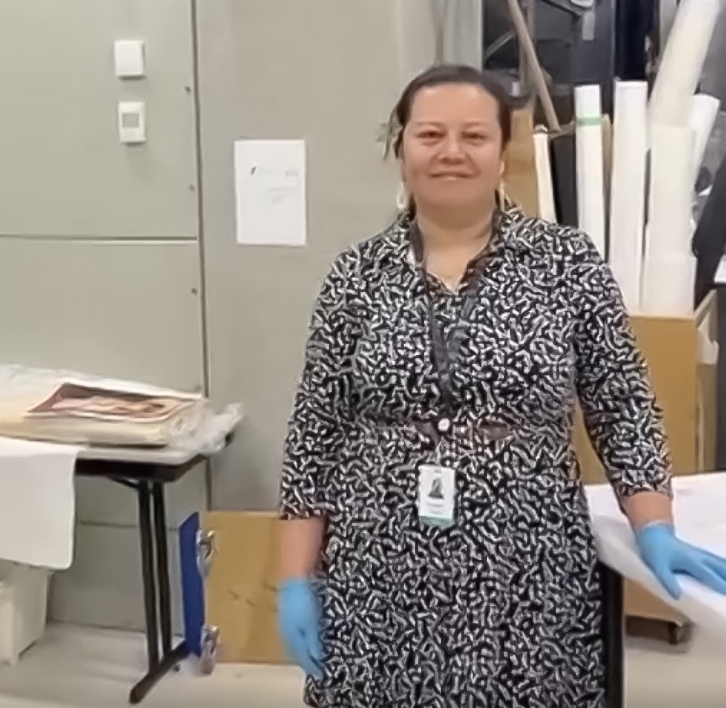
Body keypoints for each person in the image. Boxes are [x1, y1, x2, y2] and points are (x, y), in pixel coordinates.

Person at [274, 64, 726, 707]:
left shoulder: (566, 264)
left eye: (473, 136)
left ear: (502, 154)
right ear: (399, 150)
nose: (451, 151)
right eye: (430, 134)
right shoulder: (355, 278)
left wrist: (653, 523)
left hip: (527, 563)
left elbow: (621, 404)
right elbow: (315, 435)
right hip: (380, 566)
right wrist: (296, 578)